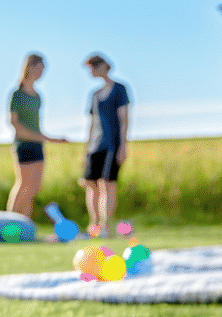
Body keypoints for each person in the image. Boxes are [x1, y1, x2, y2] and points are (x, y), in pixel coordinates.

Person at [7, 53, 67, 218]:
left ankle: (25, 225)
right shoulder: (17, 95)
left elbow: (36, 125)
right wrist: (45, 138)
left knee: (34, 187)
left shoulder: (38, 96)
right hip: (23, 145)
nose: (42, 73)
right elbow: (15, 124)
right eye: (39, 68)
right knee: (24, 185)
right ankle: (9, 222)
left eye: (44, 69)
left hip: (37, 145)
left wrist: (44, 139)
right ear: (30, 67)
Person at [80, 52, 130, 238]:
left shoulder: (119, 89)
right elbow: (92, 123)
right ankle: (94, 227)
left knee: (107, 185)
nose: (91, 71)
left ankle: (105, 227)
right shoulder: (94, 94)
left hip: (111, 145)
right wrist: (86, 148)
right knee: (90, 184)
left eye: (93, 66)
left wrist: (122, 147)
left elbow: (124, 120)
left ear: (102, 66)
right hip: (95, 146)